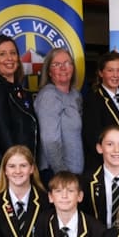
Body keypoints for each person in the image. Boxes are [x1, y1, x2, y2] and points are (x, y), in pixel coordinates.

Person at [0, 34, 38, 158]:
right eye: (2, 54)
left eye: (13, 53)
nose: (9, 58)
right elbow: (3, 134)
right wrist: (17, 163)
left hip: (28, 161)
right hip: (15, 163)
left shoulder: (20, 90)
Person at [34, 48, 83, 181]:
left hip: (74, 171)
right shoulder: (49, 95)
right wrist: (61, 173)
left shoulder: (75, 95)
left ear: (73, 68)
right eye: (56, 64)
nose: (63, 68)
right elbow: (50, 140)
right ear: (49, 72)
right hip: (57, 174)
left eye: (67, 63)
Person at [83, 52, 119, 171]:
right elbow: (91, 137)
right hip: (102, 165)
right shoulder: (93, 99)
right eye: (110, 70)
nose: (115, 75)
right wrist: (115, 159)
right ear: (101, 73)